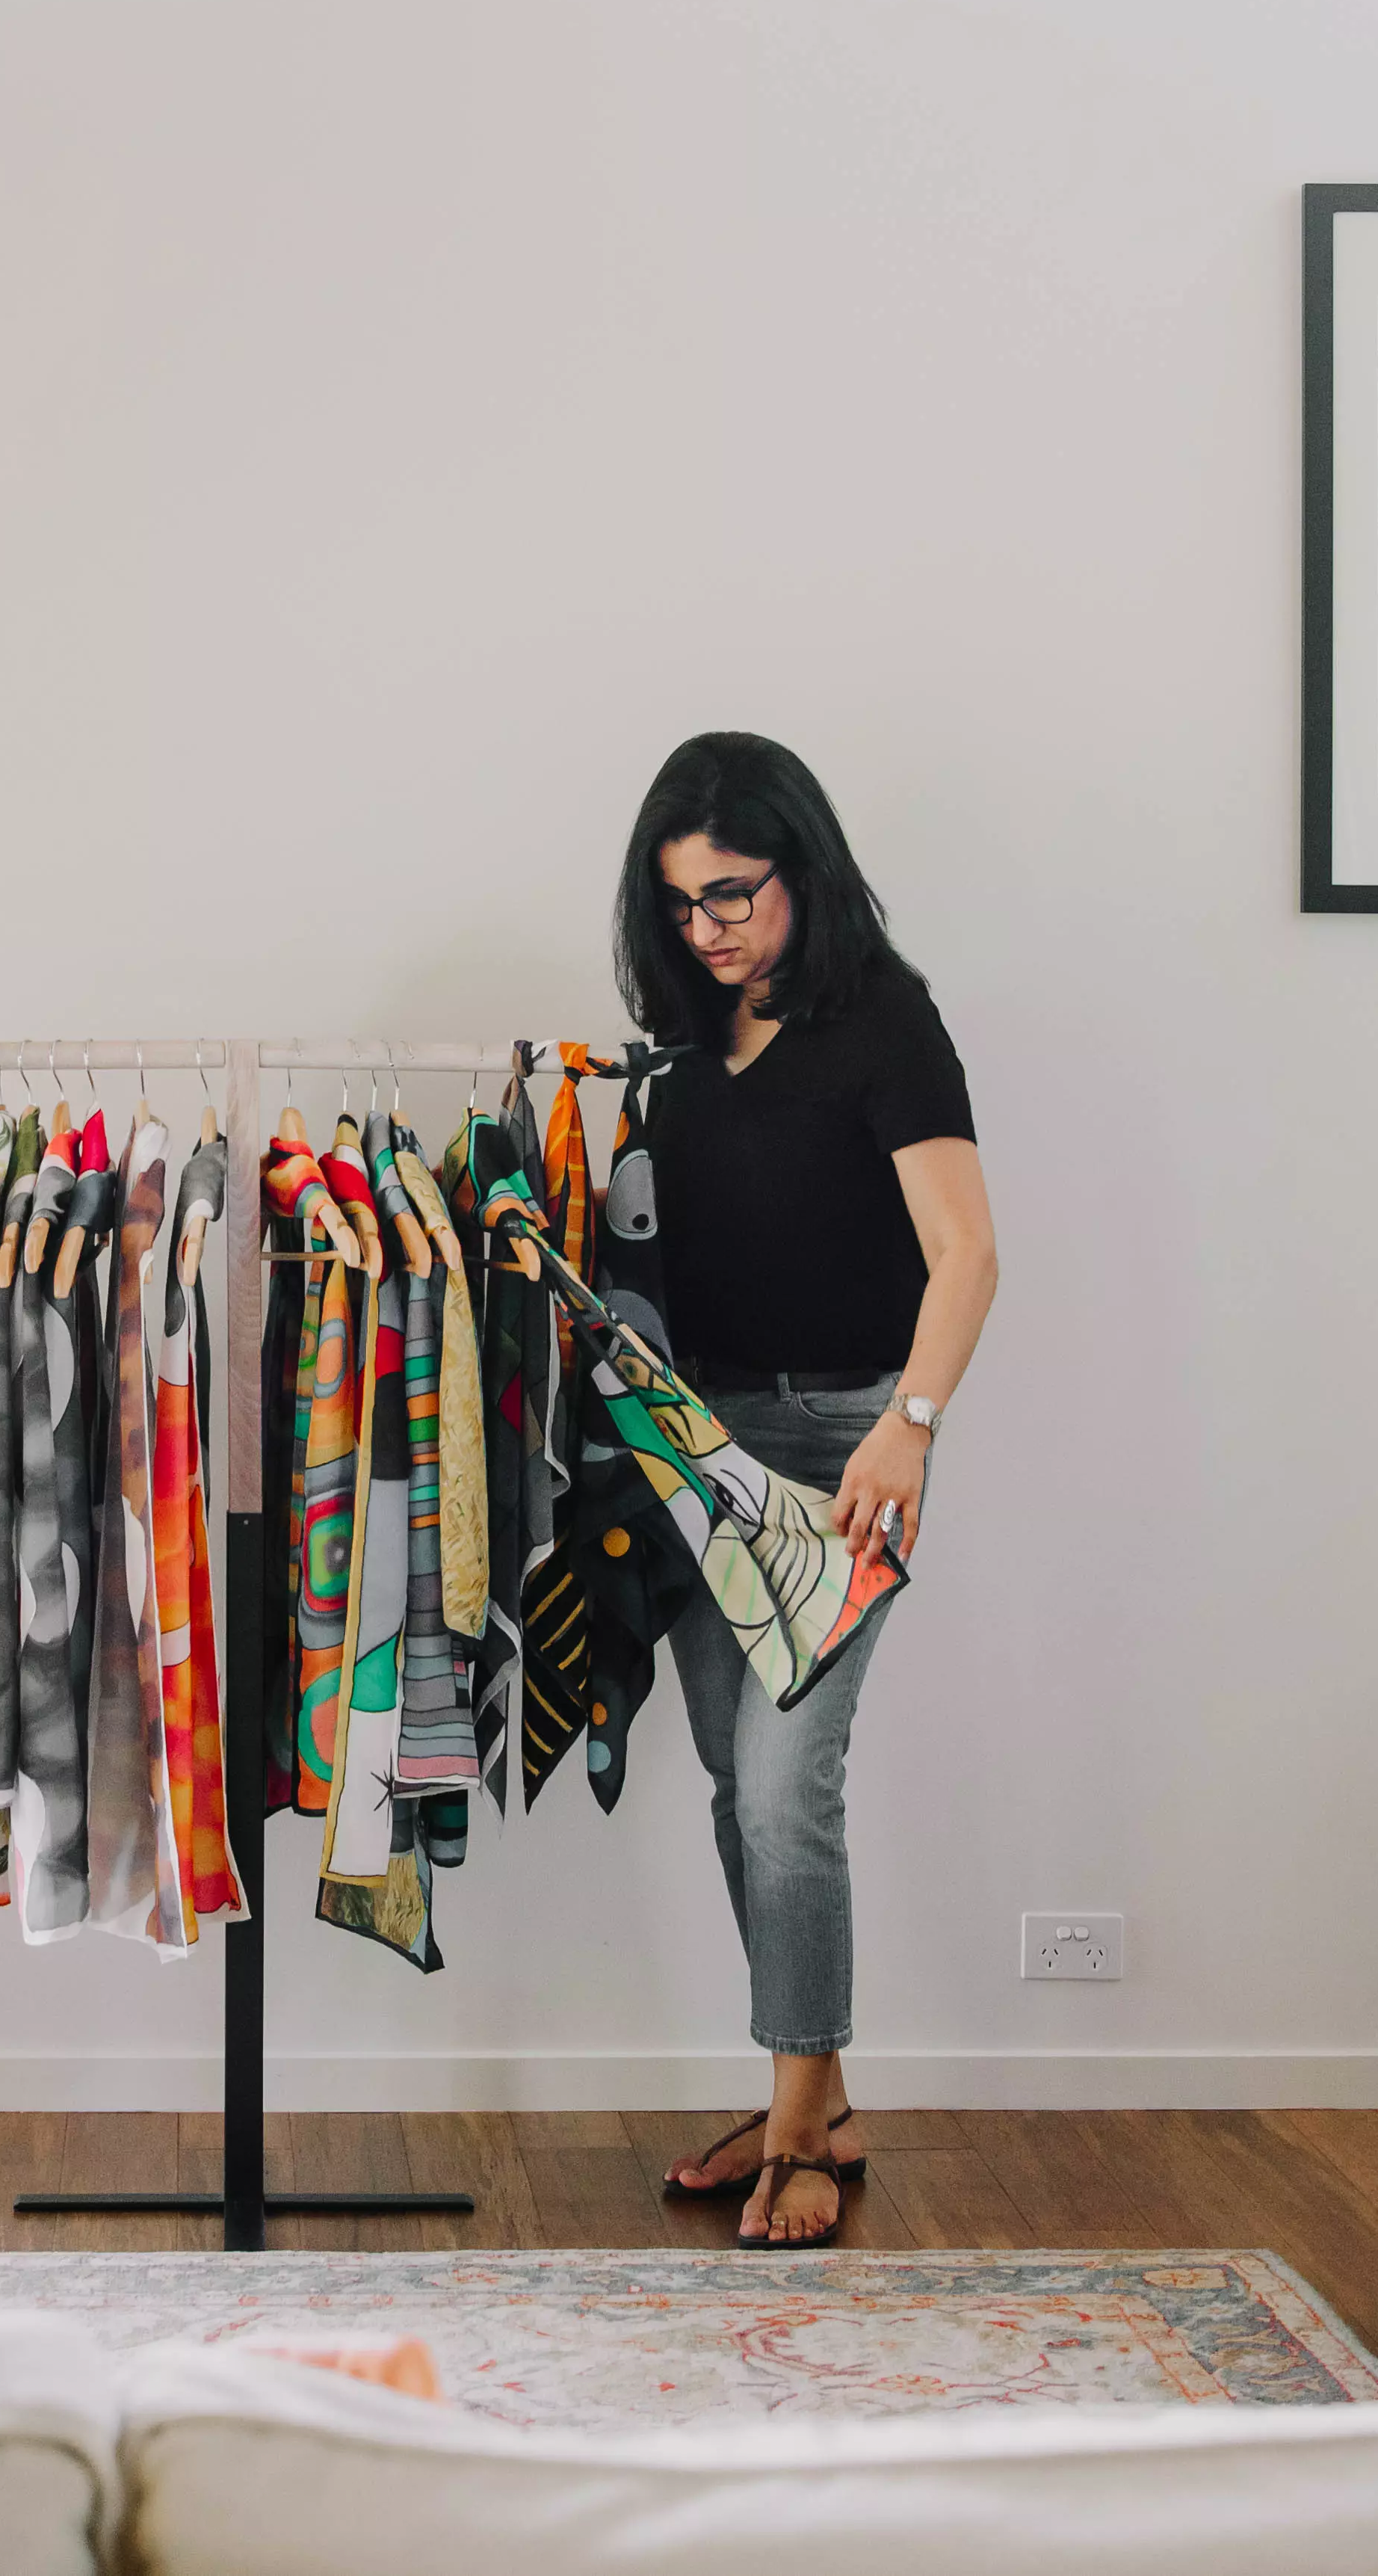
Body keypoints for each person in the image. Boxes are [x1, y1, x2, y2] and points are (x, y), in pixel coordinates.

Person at [614, 733, 997, 2249]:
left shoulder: (883, 1019)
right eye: (681, 906)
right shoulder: (686, 1038)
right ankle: (813, 2093)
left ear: (801, 870)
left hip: (844, 1447)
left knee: (787, 1786)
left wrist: (908, 1424)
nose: (707, 929)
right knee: (735, 1775)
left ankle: (797, 2127)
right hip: (703, 1447)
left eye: (731, 896)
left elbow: (966, 1251)